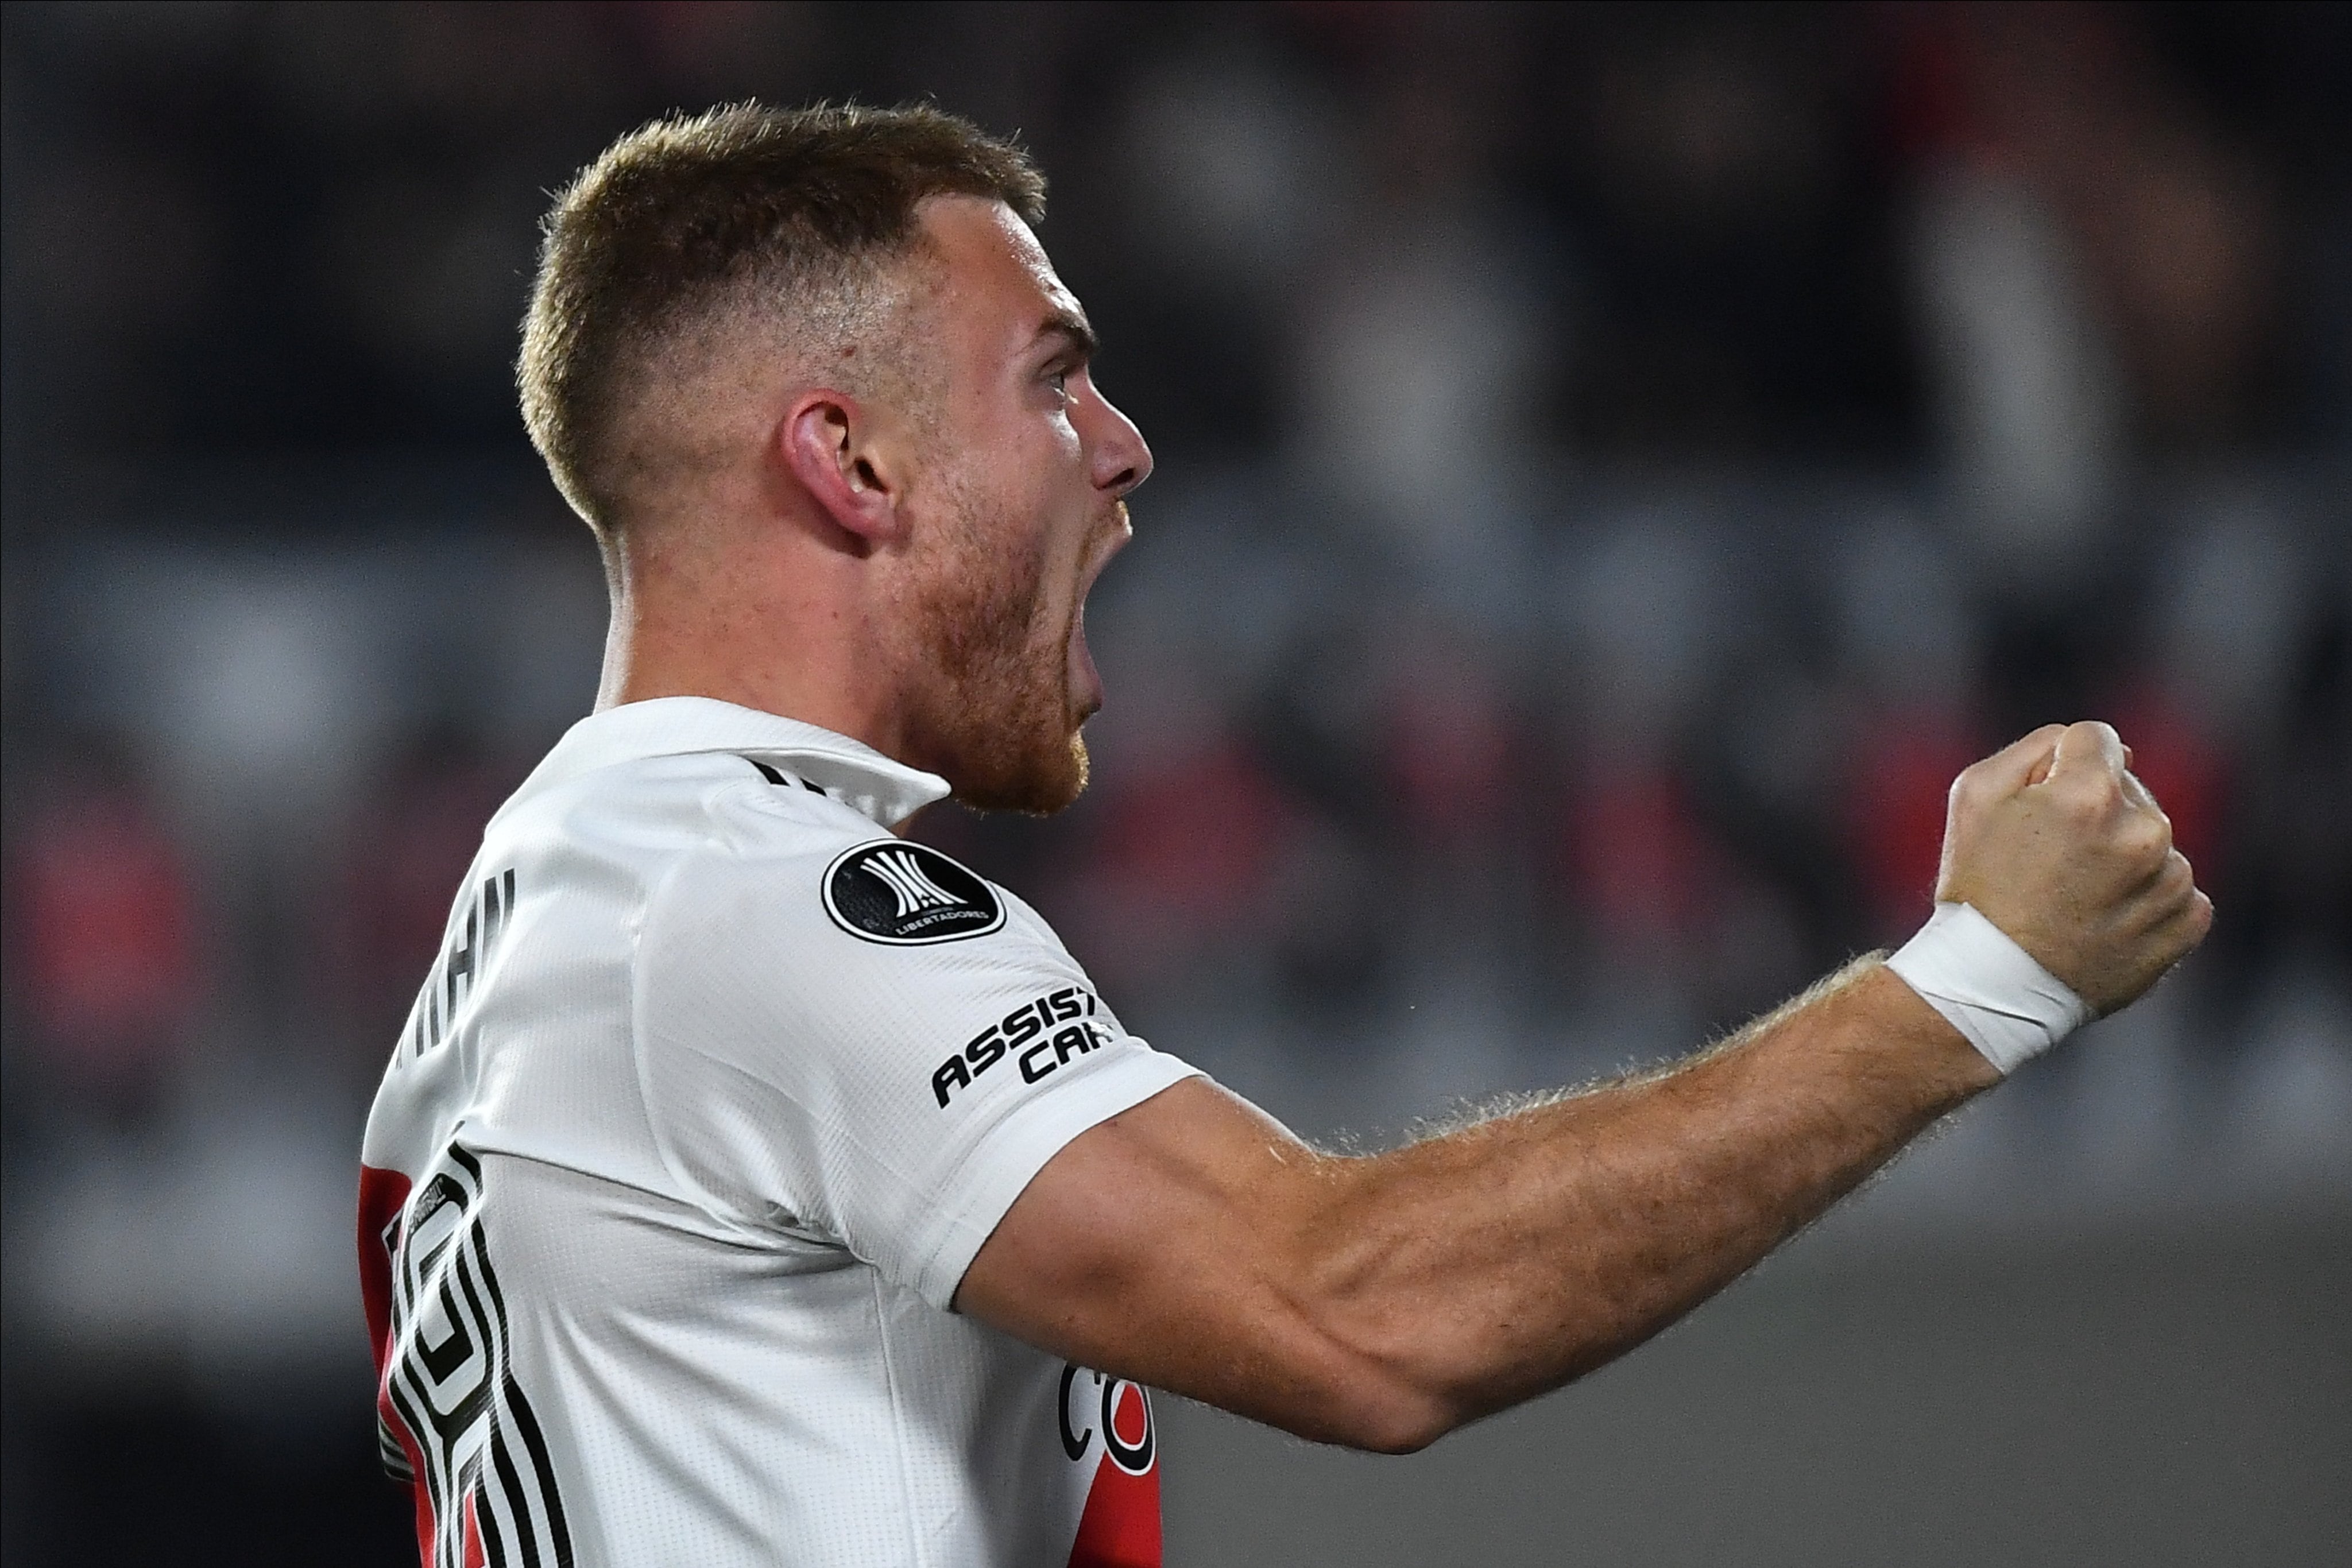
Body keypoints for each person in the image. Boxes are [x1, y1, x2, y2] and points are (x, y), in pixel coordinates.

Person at [357, 103, 2211, 1568]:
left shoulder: (535, 933)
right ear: (853, 462)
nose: (1125, 441)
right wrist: (1978, 978)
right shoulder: (751, 903)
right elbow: (1356, 1310)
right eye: (1053, 375)